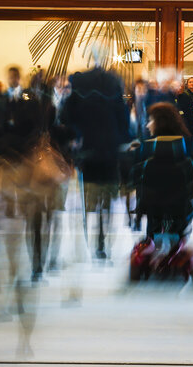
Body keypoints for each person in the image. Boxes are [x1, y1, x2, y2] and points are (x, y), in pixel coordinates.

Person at [62, 54, 131, 260]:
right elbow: (124, 121)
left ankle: (91, 233)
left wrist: (75, 138)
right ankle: (102, 237)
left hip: (88, 150)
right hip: (110, 150)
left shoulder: (79, 87)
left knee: (90, 193)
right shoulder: (114, 87)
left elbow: (65, 118)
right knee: (108, 196)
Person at [131, 103, 193, 242]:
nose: (147, 125)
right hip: (180, 207)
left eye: (150, 120)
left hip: (153, 207)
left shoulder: (147, 147)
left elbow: (136, 178)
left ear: (160, 122)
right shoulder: (186, 144)